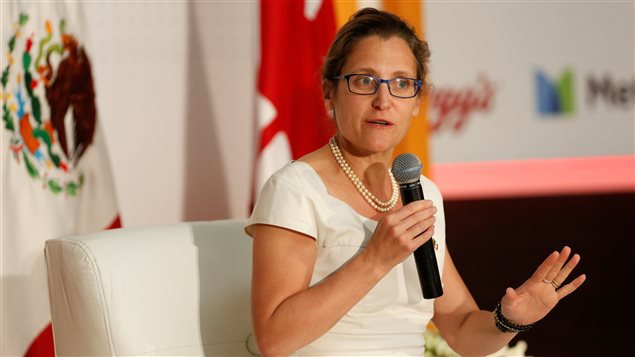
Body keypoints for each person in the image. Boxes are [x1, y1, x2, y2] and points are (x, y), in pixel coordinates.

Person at [245, 7, 586, 356]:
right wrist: (374, 259)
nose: (383, 100)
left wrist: (510, 320)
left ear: (417, 103)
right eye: (365, 81)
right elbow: (274, 338)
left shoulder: (423, 193)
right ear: (330, 93)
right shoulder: (296, 188)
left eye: (402, 84)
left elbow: (462, 329)